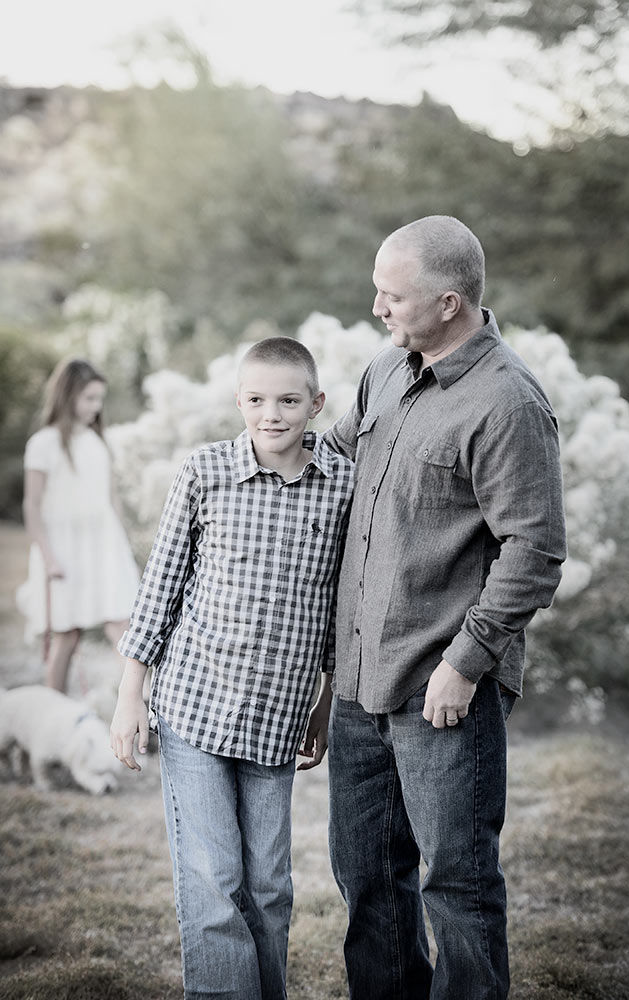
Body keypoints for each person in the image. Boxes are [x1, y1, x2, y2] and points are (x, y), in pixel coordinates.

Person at [325, 216, 567, 1000]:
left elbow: (532, 552)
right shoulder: (383, 374)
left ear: (450, 302)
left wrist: (465, 664)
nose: (376, 307)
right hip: (361, 682)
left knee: (457, 891)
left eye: (392, 296)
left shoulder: (506, 402)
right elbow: (330, 465)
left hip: (440, 692)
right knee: (367, 883)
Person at [110, 337, 354, 1000]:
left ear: (316, 404)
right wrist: (131, 695)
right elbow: (160, 585)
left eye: (287, 400)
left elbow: (336, 606)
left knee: (269, 886)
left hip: (277, 718)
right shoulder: (205, 472)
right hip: (194, 706)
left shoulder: (339, 489)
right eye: (254, 399)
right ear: (237, 400)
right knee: (214, 880)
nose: (270, 413)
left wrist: (325, 706)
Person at [18, 357, 140, 692]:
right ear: (67, 395)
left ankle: (140, 704)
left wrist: (121, 543)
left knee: (122, 624)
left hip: (102, 544)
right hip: (63, 548)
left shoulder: (97, 441)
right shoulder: (44, 443)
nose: (96, 407)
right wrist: (48, 557)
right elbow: (32, 504)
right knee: (66, 634)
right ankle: (51, 708)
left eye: (99, 398)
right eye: (89, 398)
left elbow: (110, 497)